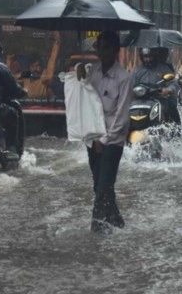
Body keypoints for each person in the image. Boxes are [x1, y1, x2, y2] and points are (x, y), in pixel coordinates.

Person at [76, 31, 134, 234]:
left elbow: (122, 116)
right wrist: (79, 73)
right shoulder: (92, 72)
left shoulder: (124, 78)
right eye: (98, 48)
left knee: (103, 188)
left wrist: (105, 139)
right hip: (93, 139)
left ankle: (98, 229)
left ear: (116, 51)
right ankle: (117, 223)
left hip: (112, 141)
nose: (101, 53)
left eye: (106, 48)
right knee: (99, 186)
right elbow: (84, 97)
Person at [131, 47, 181, 128]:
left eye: (150, 57)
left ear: (154, 56)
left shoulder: (163, 68)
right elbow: (129, 83)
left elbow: (173, 82)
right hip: (140, 100)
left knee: (172, 109)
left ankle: (175, 132)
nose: (147, 59)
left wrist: (169, 89)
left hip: (159, 99)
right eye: (145, 57)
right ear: (141, 57)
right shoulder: (137, 70)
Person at [19, 31, 61, 99]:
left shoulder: (44, 76)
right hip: (28, 108)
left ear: (41, 66)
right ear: (29, 67)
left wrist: (56, 43)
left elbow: (52, 60)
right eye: (32, 66)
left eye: (38, 66)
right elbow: (11, 77)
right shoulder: (26, 76)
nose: (35, 69)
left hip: (46, 108)